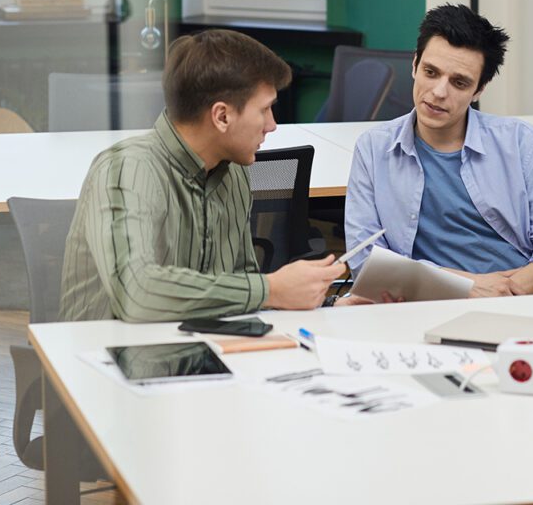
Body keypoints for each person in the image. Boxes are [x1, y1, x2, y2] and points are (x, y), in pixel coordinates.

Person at [60, 29, 345, 322]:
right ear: (222, 116)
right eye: (265, 110)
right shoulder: (126, 170)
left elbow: (241, 285)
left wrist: (325, 306)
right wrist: (271, 289)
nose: (272, 125)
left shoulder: (235, 173)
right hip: (109, 357)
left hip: (195, 351)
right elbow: (136, 293)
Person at [344, 4, 533, 296]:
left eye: (459, 82)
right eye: (430, 72)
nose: (438, 92)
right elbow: (365, 261)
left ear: (480, 89)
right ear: (414, 64)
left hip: (525, 301)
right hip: (424, 305)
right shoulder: (374, 148)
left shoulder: (523, 143)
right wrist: (464, 287)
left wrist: (505, 293)